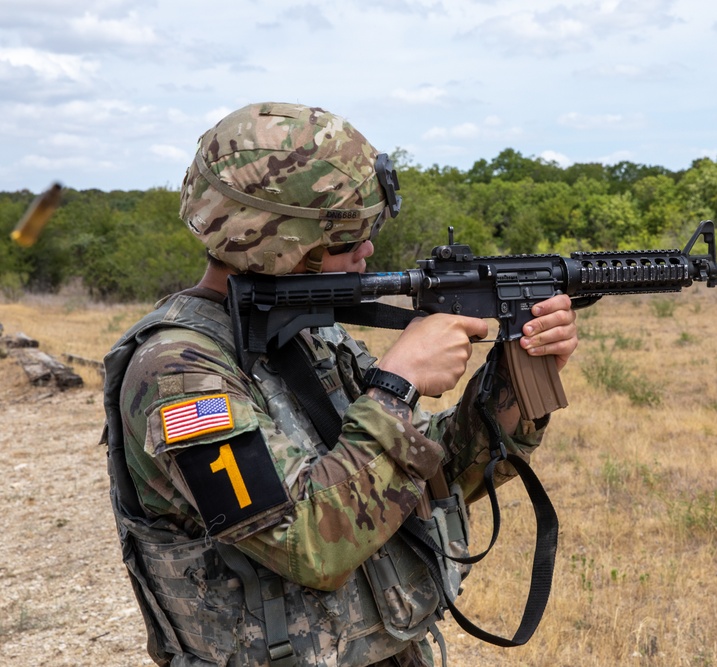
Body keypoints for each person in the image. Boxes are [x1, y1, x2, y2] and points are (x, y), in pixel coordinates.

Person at [101, 101, 578, 667]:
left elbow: (426, 478)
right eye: (349, 239)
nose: (367, 251)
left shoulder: (307, 337)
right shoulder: (178, 373)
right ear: (278, 243)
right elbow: (309, 544)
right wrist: (397, 385)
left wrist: (515, 381)